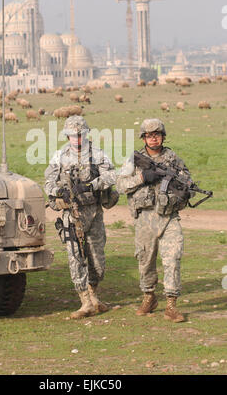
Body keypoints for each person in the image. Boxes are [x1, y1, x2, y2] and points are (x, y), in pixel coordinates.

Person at [116, 118, 192, 323]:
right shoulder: (134, 160)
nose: (154, 139)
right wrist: (142, 178)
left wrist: (184, 188)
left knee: (173, 258)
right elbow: (120, 185)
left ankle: (171, 305)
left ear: (163, 136)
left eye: (157, 134)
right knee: (145, 261)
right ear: (144, 138)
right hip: (145, 218)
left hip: (169, 217)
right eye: (149, 135)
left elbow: (187, 181)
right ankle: (149, 297)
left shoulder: (172, 158)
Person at [45, 115, 116, 319]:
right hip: (72, 213)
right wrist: (59, 192)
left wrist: (91, 185)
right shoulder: (59, 156)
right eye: (72, 135)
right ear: (67, 136)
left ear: (85, 134)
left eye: (80, 135)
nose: (76, 139)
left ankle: (94, 294)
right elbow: (48, 181)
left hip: (93, 212)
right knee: (75, 256)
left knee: (97, 259)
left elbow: (112, 175)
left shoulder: (98, 154)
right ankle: (84, 300)